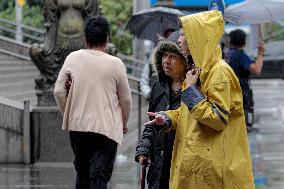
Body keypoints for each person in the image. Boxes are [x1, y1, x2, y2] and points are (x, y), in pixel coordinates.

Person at [145, 10, 255, 189]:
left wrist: (189, 91)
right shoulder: (200, 69)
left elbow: (217, 118)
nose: (179, 40)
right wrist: (167, 118)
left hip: (212, 173)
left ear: (196, 38)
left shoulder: (219, 72)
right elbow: (189, 113)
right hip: (199, 169)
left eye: (183, 35)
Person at [54, 16, 132, 189]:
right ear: (107, 38)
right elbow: (126, 99)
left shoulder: (73, 58)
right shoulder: (115, 64)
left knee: (82, 175)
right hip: (106, 129)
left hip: (78, 128)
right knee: (99, 177)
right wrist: (124, 122)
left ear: (86, 38)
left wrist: (68, 112)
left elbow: (58, 91)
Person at [135, 31, 190, 189]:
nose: (166, 61)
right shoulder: (158, 87)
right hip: (158, 166)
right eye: (164, 55)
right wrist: (143, 149)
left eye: (172, 56)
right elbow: (150, 124)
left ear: (184, 60)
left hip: (182, 167)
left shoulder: (193, 88)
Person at [227, 29, 265, 131]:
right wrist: (261, 53)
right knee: (246, 117)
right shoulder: (241, 55)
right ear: (244, 42)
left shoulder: (227, 54)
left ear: (230, 41)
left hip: (229, 91)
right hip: (243, 91)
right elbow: (256, 69)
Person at [140, 28, 176, 99]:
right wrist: (149, 94)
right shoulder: (152, 61)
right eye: (167, 38)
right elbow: (144, 82)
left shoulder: (179, 62)